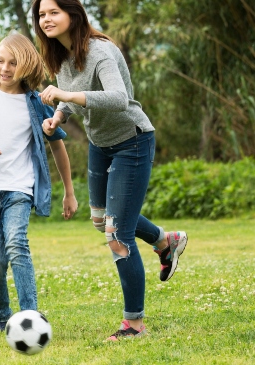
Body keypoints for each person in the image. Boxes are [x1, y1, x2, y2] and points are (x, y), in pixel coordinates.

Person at [33, 0, 188, 341]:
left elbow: (118, 98)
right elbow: (68, 98)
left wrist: (66, 94)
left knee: (117, 235)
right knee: (102, 220)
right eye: (41, 14)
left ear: (73, 15)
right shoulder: (61, 56)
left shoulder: (99, 51)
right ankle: (166, 241)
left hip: (131, 141)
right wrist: (58, 116)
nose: (46, 19)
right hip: (101, 146)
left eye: (53, 12)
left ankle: (134, 325)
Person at [0, 34, 78, 332]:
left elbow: (58, 146)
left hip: (19, 189)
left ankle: (30, 318)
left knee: (17, 246)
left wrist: (69, 193)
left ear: (26, 65)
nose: (5, 68)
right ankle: (1, 317)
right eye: (0, 61)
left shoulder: (36, 103)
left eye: (13, 63)